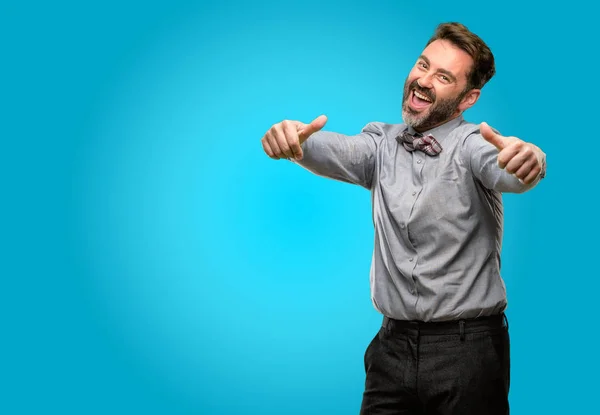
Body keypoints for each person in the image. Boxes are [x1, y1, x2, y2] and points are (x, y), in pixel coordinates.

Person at [260, 22, 546, 415]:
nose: (423, 81)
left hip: (468, 351)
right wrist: (293, 140)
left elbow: (508, 169)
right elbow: (330, 148)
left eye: (443, 76)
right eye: (422, 65)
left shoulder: (473, 147)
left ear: (468, 99)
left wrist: (529, 160)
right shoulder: (380, 143)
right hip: (391, 349)